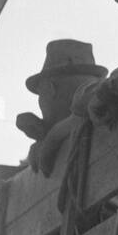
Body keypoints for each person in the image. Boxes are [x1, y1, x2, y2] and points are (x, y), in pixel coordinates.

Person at [15, 40, 106, 177]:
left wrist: (52, 137)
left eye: (40, 95)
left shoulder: (104, 102)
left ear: (49, 89)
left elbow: (86, 106)